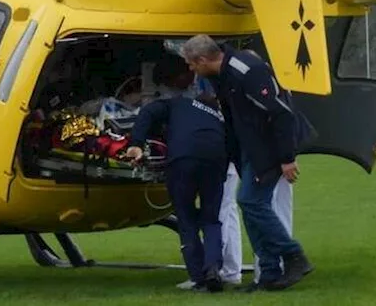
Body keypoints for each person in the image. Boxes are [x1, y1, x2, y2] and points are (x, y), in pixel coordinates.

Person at [179, 35, 313, 291]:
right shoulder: (221, 76)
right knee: (251, 206)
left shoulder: (245, 71)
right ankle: (270, 274)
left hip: (269, 148)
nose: (190, 69)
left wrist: (287, 158)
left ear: (203, 59)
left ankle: (294, 255)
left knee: (250, 201)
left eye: (191, 64)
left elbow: (281, 113)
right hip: (251, 148)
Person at [123, 73, 229, 293]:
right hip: (215, 160)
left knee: (186, 217)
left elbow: (148, 111)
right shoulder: (219, 116)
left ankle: (197, 276)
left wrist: (136, 143)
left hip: (182, 160)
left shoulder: (177, 104)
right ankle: (213, 268)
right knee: (211, 219)